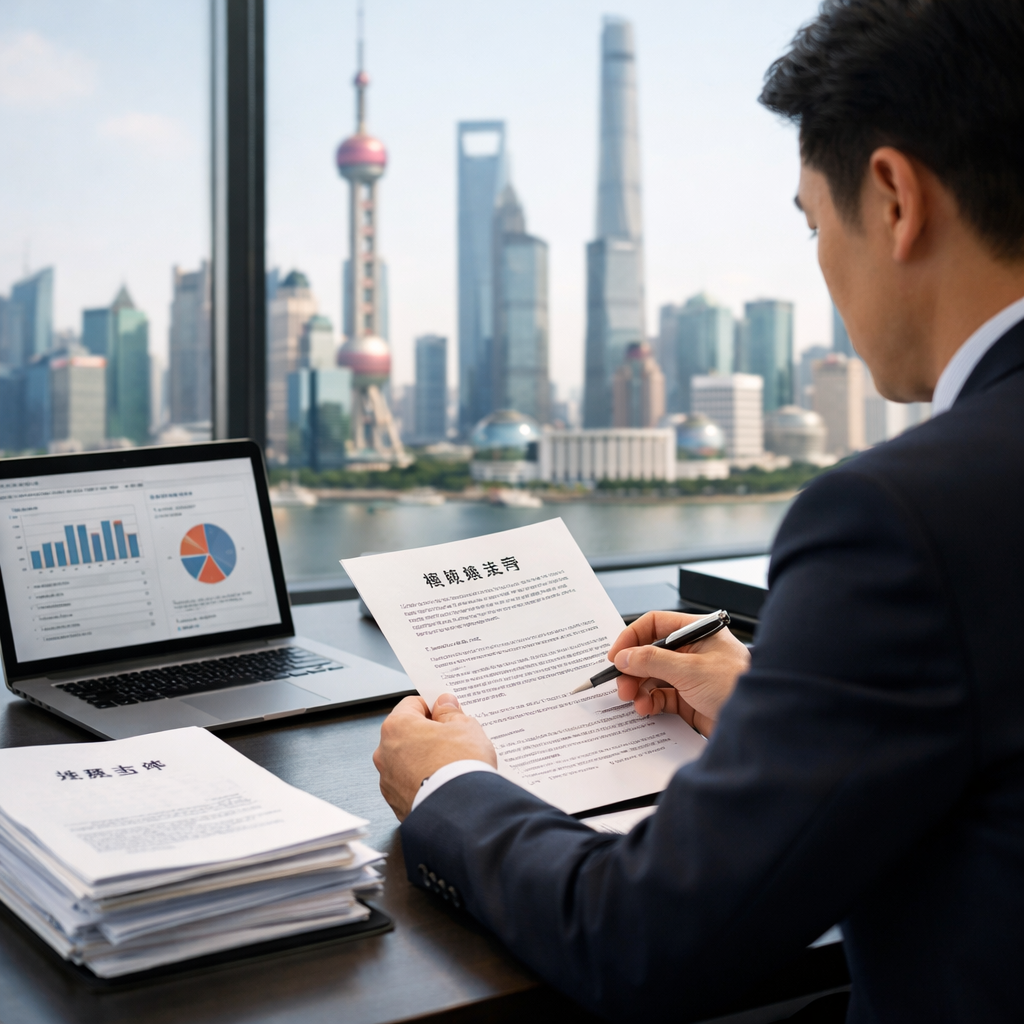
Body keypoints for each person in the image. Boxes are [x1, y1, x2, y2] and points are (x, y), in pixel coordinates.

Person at [373, 1, 1024, 1019]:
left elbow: (637, 938)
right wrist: (790, 705)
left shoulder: (901, 518)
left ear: (894, 198)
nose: (818, 261)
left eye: (813, 223)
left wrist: (451, 786)